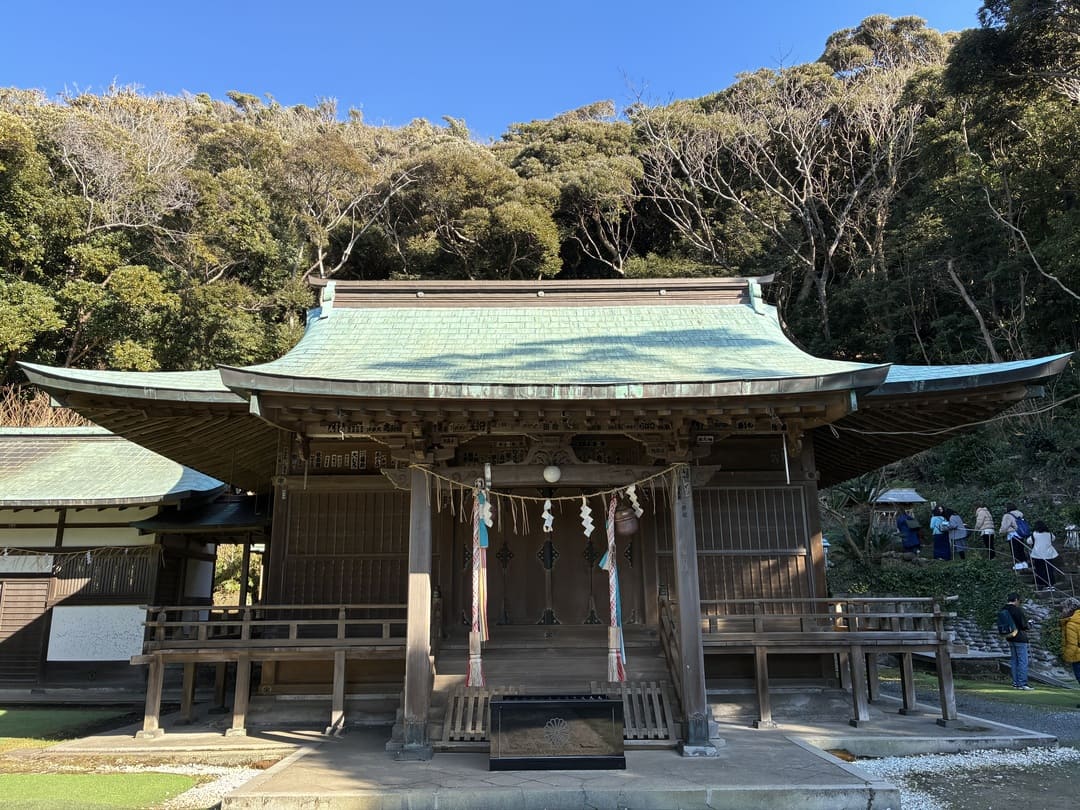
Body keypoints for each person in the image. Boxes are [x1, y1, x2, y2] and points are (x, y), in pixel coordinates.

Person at [1003, 592, 1034, 690]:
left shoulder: (1003, 610)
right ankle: (1022, 683)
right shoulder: (1017, 610)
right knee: (1023, 661)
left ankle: (1015, 682)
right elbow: (1024, 625)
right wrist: (1029, 624)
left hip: (1010, 637)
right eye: (1019, 601)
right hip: (1020, 638)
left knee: (1014, 661)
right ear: (1016, 600)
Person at [1028, 521, 1058, 591]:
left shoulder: (1034, 534)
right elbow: (1053, 538)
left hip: (1038, 554)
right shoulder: (1049, 533)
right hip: (1049, 554)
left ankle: (1042, 583)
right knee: (1049, 570)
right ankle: (1051, 585)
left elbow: (1029, 541)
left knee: (1040, 570)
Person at [1060, 597, 1080, 703]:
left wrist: (1067, 657)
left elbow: (1072, 644)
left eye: (1063, 608)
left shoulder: (1071, 624)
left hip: (1077, 656)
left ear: (1069, 609)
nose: (1062, 611)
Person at [1000, 503, 1029, 569]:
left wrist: (1001, 531)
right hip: (1020, 534)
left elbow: (1005, 526)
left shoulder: (1007, 515)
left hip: (1012, 534)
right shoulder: (1020, 514)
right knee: (1021, 549)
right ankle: (1024, 563)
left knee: (1014, 550)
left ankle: (1017, 564)